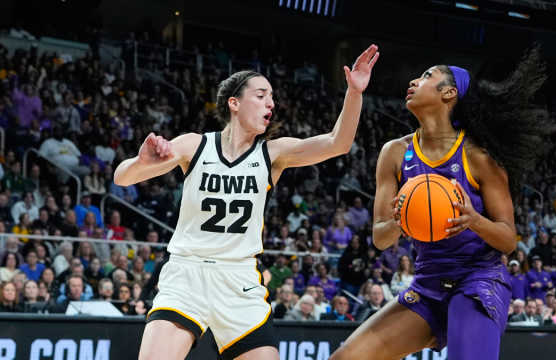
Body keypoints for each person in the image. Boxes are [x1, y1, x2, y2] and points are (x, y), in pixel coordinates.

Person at [114, 45, 379, 360]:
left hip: (240, 279)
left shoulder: (273, 154)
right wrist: (141, 163)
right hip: (188, 273)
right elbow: (122, 178)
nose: (271, 102)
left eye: (272, 98)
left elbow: (338, 142)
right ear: (234, 103)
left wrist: (354, 93)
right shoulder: (194, 145)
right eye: (262, 95)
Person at [331, 47, 551, 360]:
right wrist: (399, 220)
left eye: (426, 76)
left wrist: (474, 220)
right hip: (427, 285)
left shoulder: (480, 157)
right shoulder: (394, 153)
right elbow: (380, 239)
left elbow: (507, 240)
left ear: (448, 93)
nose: (413, 81)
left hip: (478, 280)